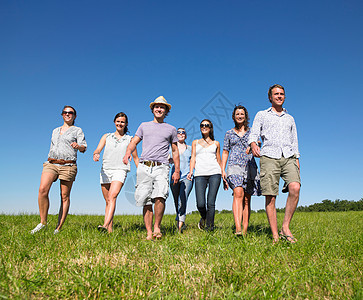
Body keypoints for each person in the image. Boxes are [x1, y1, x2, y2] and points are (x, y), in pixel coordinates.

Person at [248, 84, 301, 243]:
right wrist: (253, 144)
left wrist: (297, 160)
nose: (279, 96)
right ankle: (275, 236)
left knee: (295, 187)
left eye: (282, 94)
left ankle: (285, 227)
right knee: (270, 196)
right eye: (276, 94)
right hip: (269, 156)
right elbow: (254, 133)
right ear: (270, 97)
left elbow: (295, 141)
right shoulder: (262, 115)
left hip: (289, 156)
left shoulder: (290, 118)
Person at [123, 96, 180, 240]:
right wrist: (127, 153)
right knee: (145, 199)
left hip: (162, 167)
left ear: (166, 111)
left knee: (160, 196)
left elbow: (175, 151)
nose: (159, 109)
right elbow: (134, 141)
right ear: (153, 109)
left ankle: (157, 227)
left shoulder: (171, 129)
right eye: (157, 107)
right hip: (144, 166)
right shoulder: (144, 126)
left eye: (162, 107)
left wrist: (177, 171)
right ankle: (149, 232)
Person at [31, 105, 87, 235]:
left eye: (71, 113)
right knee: (43, 189)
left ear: (75, 116)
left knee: (64, 196)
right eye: (65, 112)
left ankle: (58, 228)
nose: (68, 114)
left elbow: (84, 148)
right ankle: (43, 223)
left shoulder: (77, 130)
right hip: (52, 163)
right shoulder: (55, 130)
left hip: (68, 165)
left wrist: (78, 146)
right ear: (62, 114)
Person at [93, 112, 139, 233]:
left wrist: (140, 172)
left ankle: (104, 225)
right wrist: (96, 153)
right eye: (118, 121)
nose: (120, 124)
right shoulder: (106, 136)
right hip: (105, 169)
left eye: (122, 122)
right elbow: (98, 148)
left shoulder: (130, 139)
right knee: (108, 201)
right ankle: (109, 229)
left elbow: (135, 158)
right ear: (114, 122)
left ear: (126, 124)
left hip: (120, 170)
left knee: (112, 196)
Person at [222, 105, 261, 236]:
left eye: (242, 114)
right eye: (237, 114)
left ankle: (245, 230)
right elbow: (225, 151)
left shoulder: (252, 132)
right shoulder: (229, 133)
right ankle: (238, 228)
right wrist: (223, 169)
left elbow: (259, 143)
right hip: (234, 165)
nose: (240, 116)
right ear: (234, 116)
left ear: (245, 116)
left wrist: (254, 146)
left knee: (246, 199)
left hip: (249, 165)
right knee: (238, 192)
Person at [187, 119, 222, 231]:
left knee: (210, 202)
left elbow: (219, 159)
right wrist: (191, 171)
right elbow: (193, 157)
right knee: (200, 203)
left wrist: (223, 173)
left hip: (215, 173)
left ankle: (209, 229)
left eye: (207, 125)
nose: (204, 126)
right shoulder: (195, 143)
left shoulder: (216, 143)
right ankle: (205, 218)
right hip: (200, 174)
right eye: (202, 125)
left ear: (210, 127)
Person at [169, 128, 193, 233]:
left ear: (186, 136)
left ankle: (179, 226)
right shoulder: (171, 148)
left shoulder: (191, 148)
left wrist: (192, 173)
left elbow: (194, 161)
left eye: (183, 132)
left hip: (186, 177)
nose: (181, 134)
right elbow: (166, 159)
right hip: (174, 177)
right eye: (178, 132)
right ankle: (180, 219)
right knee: (176, 200)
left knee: (182, 199)